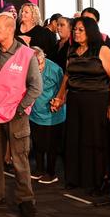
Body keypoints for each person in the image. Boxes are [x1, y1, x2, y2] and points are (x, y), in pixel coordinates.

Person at [0, 14, 41, 217]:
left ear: (10, 29)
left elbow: (36, 87)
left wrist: (20, 109)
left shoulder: (27, 55)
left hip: (16, 116)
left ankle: (26, 200)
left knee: (20, 159)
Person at [51, 16, 110, 195]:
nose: (76, 32)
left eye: (81, 29)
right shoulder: (72, 50)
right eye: (75, 30)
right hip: (75, 100)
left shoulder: (101, 50)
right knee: (75, 139)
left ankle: (101, 181)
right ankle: (76, 178)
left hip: (97, 101)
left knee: (96, 141)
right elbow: (67, 76)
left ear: (90, 31)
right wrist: (60, 97)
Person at [29, 47, 65, 184]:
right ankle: (39, 170)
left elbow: (64, 89)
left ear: (43, 58)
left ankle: (51, 173)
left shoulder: (54, 69)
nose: (38, 67)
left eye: (40, 64)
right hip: (35, 113)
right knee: (38, 144)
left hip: (53, 115)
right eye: (34, 64)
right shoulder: (28, 68)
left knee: (51, 146)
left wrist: (58, 101)